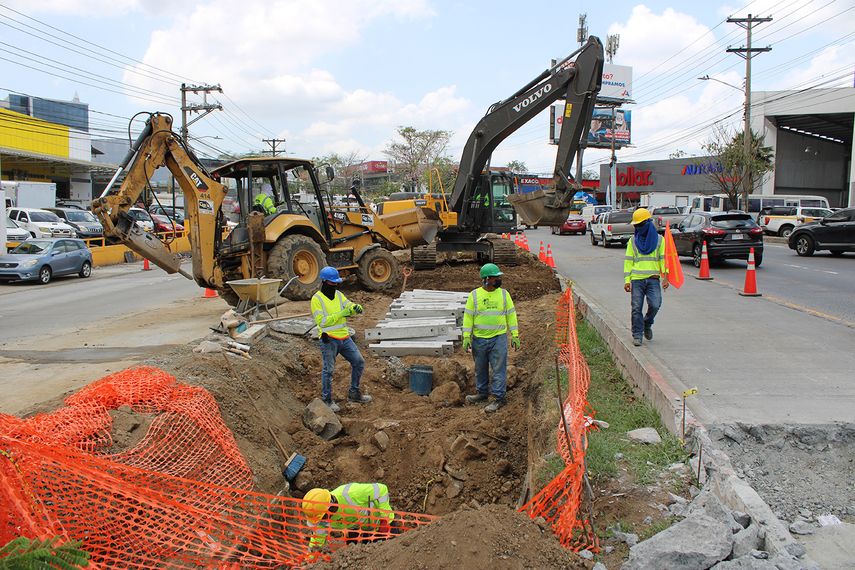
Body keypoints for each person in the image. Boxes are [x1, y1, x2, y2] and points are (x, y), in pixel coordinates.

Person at [311, 266, 372, 412]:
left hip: (344, 337)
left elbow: (347, 305)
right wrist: (341, 314)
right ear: (324, 282)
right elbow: (322, 322)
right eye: (332, 283)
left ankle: (354, 393)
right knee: (329, 370)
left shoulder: (338, 294)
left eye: (336, 283)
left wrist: (354, 307)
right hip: (329, 339)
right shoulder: (317, 299)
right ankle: (327, 400)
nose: (335, 285)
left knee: (359, 362)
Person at [462, 263, 520, 413]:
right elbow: (468, 317)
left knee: (498, 369)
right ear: (486, 279)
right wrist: (466, 337)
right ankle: (482, 393)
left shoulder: (503, 294)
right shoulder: (474, 295)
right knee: (480, 368)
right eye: (496, 278)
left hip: (498, 338)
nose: (499, 280)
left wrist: (515, 335)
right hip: (479, 340)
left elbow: (511, 314)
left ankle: (498, 398)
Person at [303, 484, 399, 550]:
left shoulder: (351, 493)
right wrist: (309, 562)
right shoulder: (321, 517)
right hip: (360, 530)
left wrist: (385, 519)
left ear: (331, 507)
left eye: (323, 517)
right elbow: (316, 540)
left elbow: (381, 489)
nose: (323, 521)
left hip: (382, 525)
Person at [624, 208, 669, 346]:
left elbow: (663, 259)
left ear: (648, 223)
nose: (638, 228)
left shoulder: (660, 241)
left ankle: (647, 323)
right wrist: (627, 280)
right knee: (636, 308)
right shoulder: (633, 241)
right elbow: (628, 261)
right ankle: (637, 335)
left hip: (653, 278)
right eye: (636, 225)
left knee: (655, 304)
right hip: (637, 280)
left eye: (640, 225)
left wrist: (666, 276)